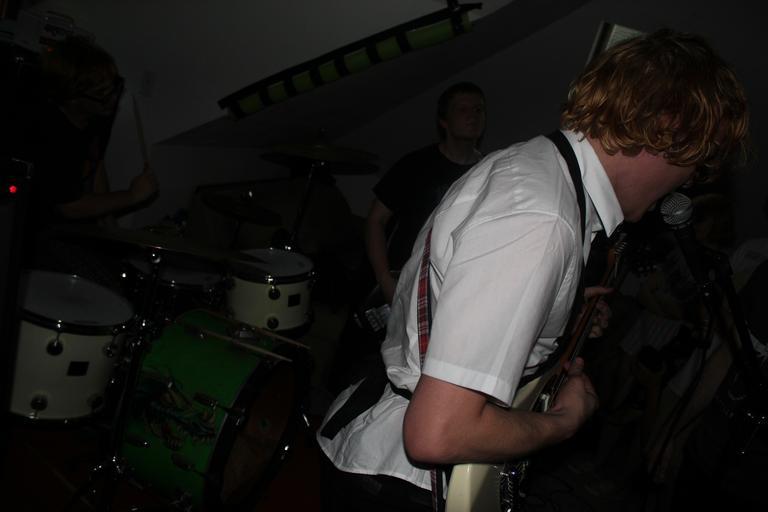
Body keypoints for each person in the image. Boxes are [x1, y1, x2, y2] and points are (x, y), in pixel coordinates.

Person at [316, 29, 749, 511]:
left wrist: (559, 310)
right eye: (695, 164)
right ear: (667, 124)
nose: (687, 182)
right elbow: (438, 433)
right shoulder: (542, 218)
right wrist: (564, 422)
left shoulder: (542, 166)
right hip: (400, 483)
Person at [19, 36, 158, 288]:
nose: (113, 99)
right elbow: (70, 207)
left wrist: (109, 226)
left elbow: (95, 166)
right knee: (105, 285)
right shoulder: (51, 135)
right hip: (35, 235)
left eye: (114, 88)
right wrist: (133, 195)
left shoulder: (93, 118)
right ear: (71, 97)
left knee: (126, 270)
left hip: (67, 232)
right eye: (102, 95)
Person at [366, 82, 486, 304]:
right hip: (404, 279)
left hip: (451, 286)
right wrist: (384, 279)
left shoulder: (487, 172)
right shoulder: (415, 164)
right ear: (444, 121)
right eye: (462, 109)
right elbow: (376, 220)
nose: (473, 116)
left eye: (478, 109)